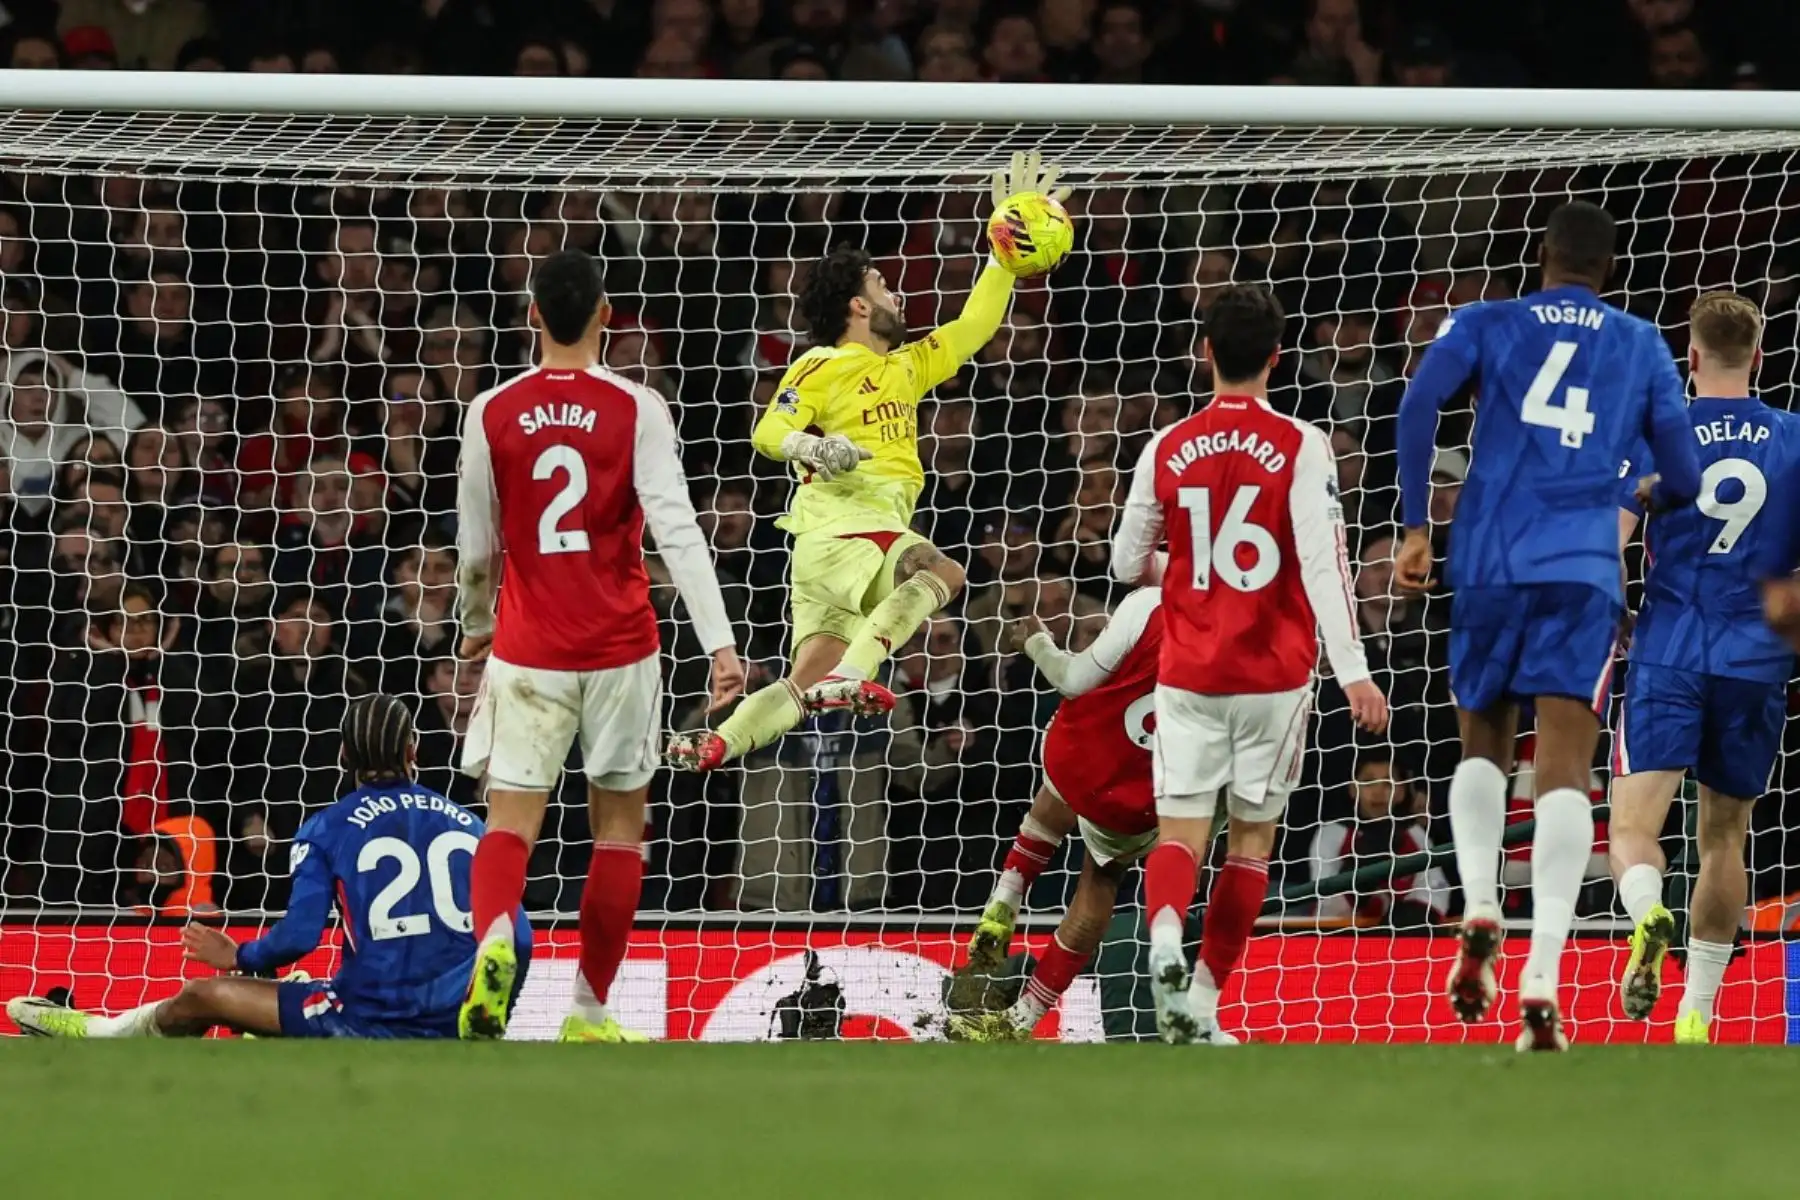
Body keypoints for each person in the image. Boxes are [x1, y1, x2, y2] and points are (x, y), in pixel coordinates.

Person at [1394, 200, 1701, 1051]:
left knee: (1481, 749)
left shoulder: (1486, 319)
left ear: (1542, 256)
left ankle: (1482, 903)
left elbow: (1419, 403)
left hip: (1490, 556)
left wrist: (1418, 525)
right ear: (1610, 270)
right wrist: (1649, 493)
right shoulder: (1640, 342)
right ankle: (1543, 975)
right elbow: (1683, 470)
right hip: (1581, 567)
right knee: (1565, 773)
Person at [665, 152, 1069, 773]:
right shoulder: (821, 364)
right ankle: (856, 671)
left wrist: (1001, 252)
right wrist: (812, 446)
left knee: (801, 680)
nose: (894, 291)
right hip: (845, 525)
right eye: (881, 285)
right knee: (942, 573)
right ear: (857, 306)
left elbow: (972, 326)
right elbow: (769, 429)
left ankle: (720, 741)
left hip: (831, 554)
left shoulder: (905, 368)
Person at [455, 248, 741, 1043]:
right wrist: (720, 645)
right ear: (608, 316)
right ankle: (587, 1010)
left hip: (527, 646)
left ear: (533, 317)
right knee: (619, 831)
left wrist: (477, 628)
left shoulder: (491, 411)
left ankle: (492, 950)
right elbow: (676, 530)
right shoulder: (639, 407)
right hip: (621, 648)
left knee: (509, 824)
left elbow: (476, 548)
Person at [1113, 282, 1386, 1044]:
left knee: (1179, 834)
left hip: (1189, 674)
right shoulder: (1303, 443)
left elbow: (1124, 560)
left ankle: (1164, 947)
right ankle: (1201, 1005)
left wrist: (1189, 564)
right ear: (1276, 357)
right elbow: (1325, 563)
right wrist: (1353, 670)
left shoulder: (1163, 445)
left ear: (1205, 352)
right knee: (1252, 843)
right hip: (1274, 678)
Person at [6, 695, 531, 1040]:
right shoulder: (473, 827)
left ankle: (96, 1033)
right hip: (457, 1016)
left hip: (366, 1020)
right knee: (307, 983)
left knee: (200, 997)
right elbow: (518, 935)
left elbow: (300, 933)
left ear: (344, 754)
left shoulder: (328, 828)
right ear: (414, 750)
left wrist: (241, 953)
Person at [1610, 291, 1800, 1044]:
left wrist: (1614, 616)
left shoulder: (1660, 433)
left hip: (1670, 650)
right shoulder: (1793, 438)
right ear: (1758, 356)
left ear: (1689, 356)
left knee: (1633, 828)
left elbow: (1612, 539)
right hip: (1755, 662)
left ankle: (1646, 909)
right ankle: (1699, 1011)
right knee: (1725, 837)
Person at [946, 588, 1165, 1042]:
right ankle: (1024, 1016)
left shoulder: (1149, 605)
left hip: (1086, 752)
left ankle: (1005, 897)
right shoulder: (1252, 650)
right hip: (1142, 791)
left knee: (1056, 795)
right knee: (1100, 883)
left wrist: (1037, 643)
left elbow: (1070, 677)